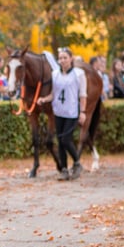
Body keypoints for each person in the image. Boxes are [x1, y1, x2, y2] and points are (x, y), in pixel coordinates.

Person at [36, 47, 86, 181]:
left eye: (65, 57)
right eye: (60, 58)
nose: (62, 60)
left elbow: (82, 95)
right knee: (60, 141)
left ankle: (77, 162)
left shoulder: (78, 74)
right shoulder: (55, 74)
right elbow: (54, 94)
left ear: (71, 59)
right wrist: (44, 99)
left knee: (65, 140)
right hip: (58, 111)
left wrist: (83, 112)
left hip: (72, 112)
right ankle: (64, 169)